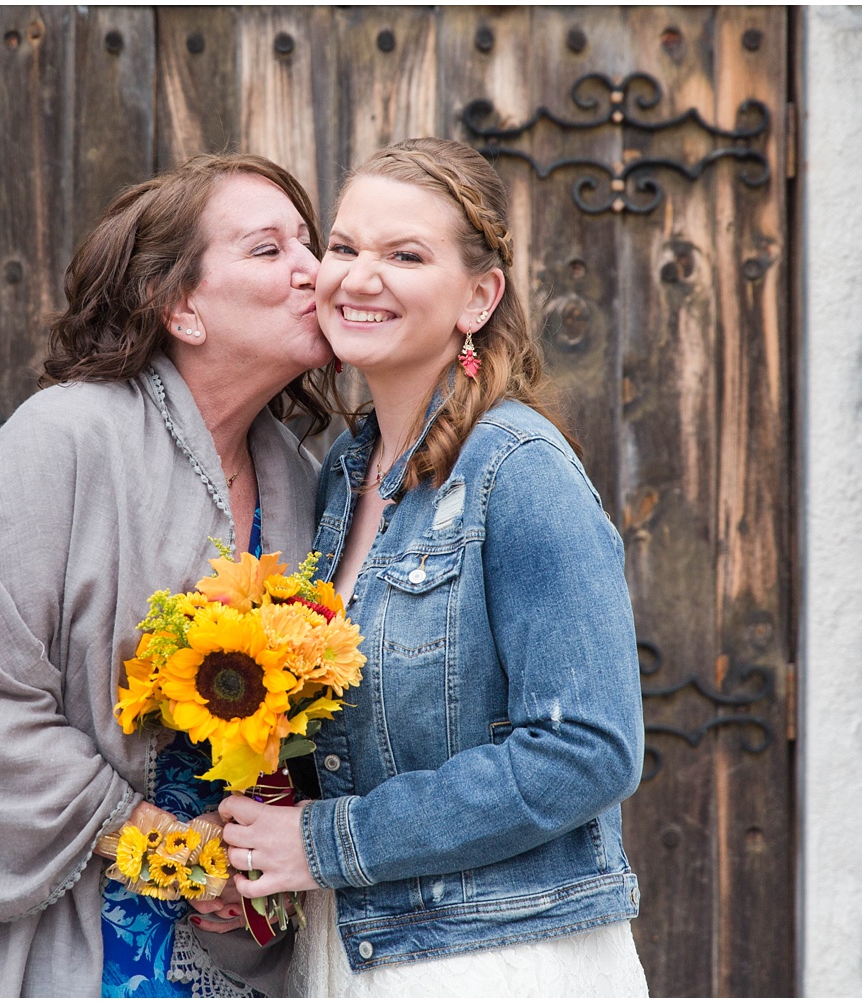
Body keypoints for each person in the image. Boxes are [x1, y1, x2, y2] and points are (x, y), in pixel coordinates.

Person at [0, 153, 338, 997]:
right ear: (183, 308)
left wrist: (252, 869)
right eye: (269, 250)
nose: (318, 270)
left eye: (311, 244)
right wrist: (167, 852)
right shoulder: (61, 440)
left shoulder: (306, 484)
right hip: (46, 926)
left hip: (226, 952)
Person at [216, 137, 650, 996]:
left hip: (494, 961)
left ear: (478, 296)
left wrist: (322, 841)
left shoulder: (516, 468)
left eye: (404, 255)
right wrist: (253, 854)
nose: (357, 276)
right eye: (343, 248)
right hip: (352, 955)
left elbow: (589, 749)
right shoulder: (345, 472)